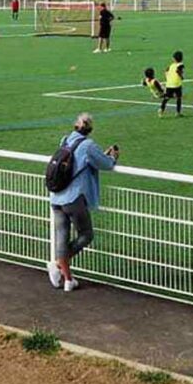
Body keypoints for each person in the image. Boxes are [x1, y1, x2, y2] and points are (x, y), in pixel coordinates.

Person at [47, 113, 119, 292]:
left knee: (62, 238)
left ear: (75, 126)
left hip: (56, 196)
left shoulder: (65, 141)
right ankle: (57, 264)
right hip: (73, 198)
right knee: (86, 234)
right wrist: (113, 157)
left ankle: (68, 280)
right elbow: (106, 164)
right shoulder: (88, 145)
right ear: (90, 129)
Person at [160, 51, 184, 117]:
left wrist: (168, 78)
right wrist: (181, 76)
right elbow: (178, 71)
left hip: (169, 84)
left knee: (166, 98)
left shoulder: (171, 65)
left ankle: (161, 110)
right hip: (176, 84)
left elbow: (166, 71)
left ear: (173, 58)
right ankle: (178, 112)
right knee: (178, 98)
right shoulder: (181, 64)